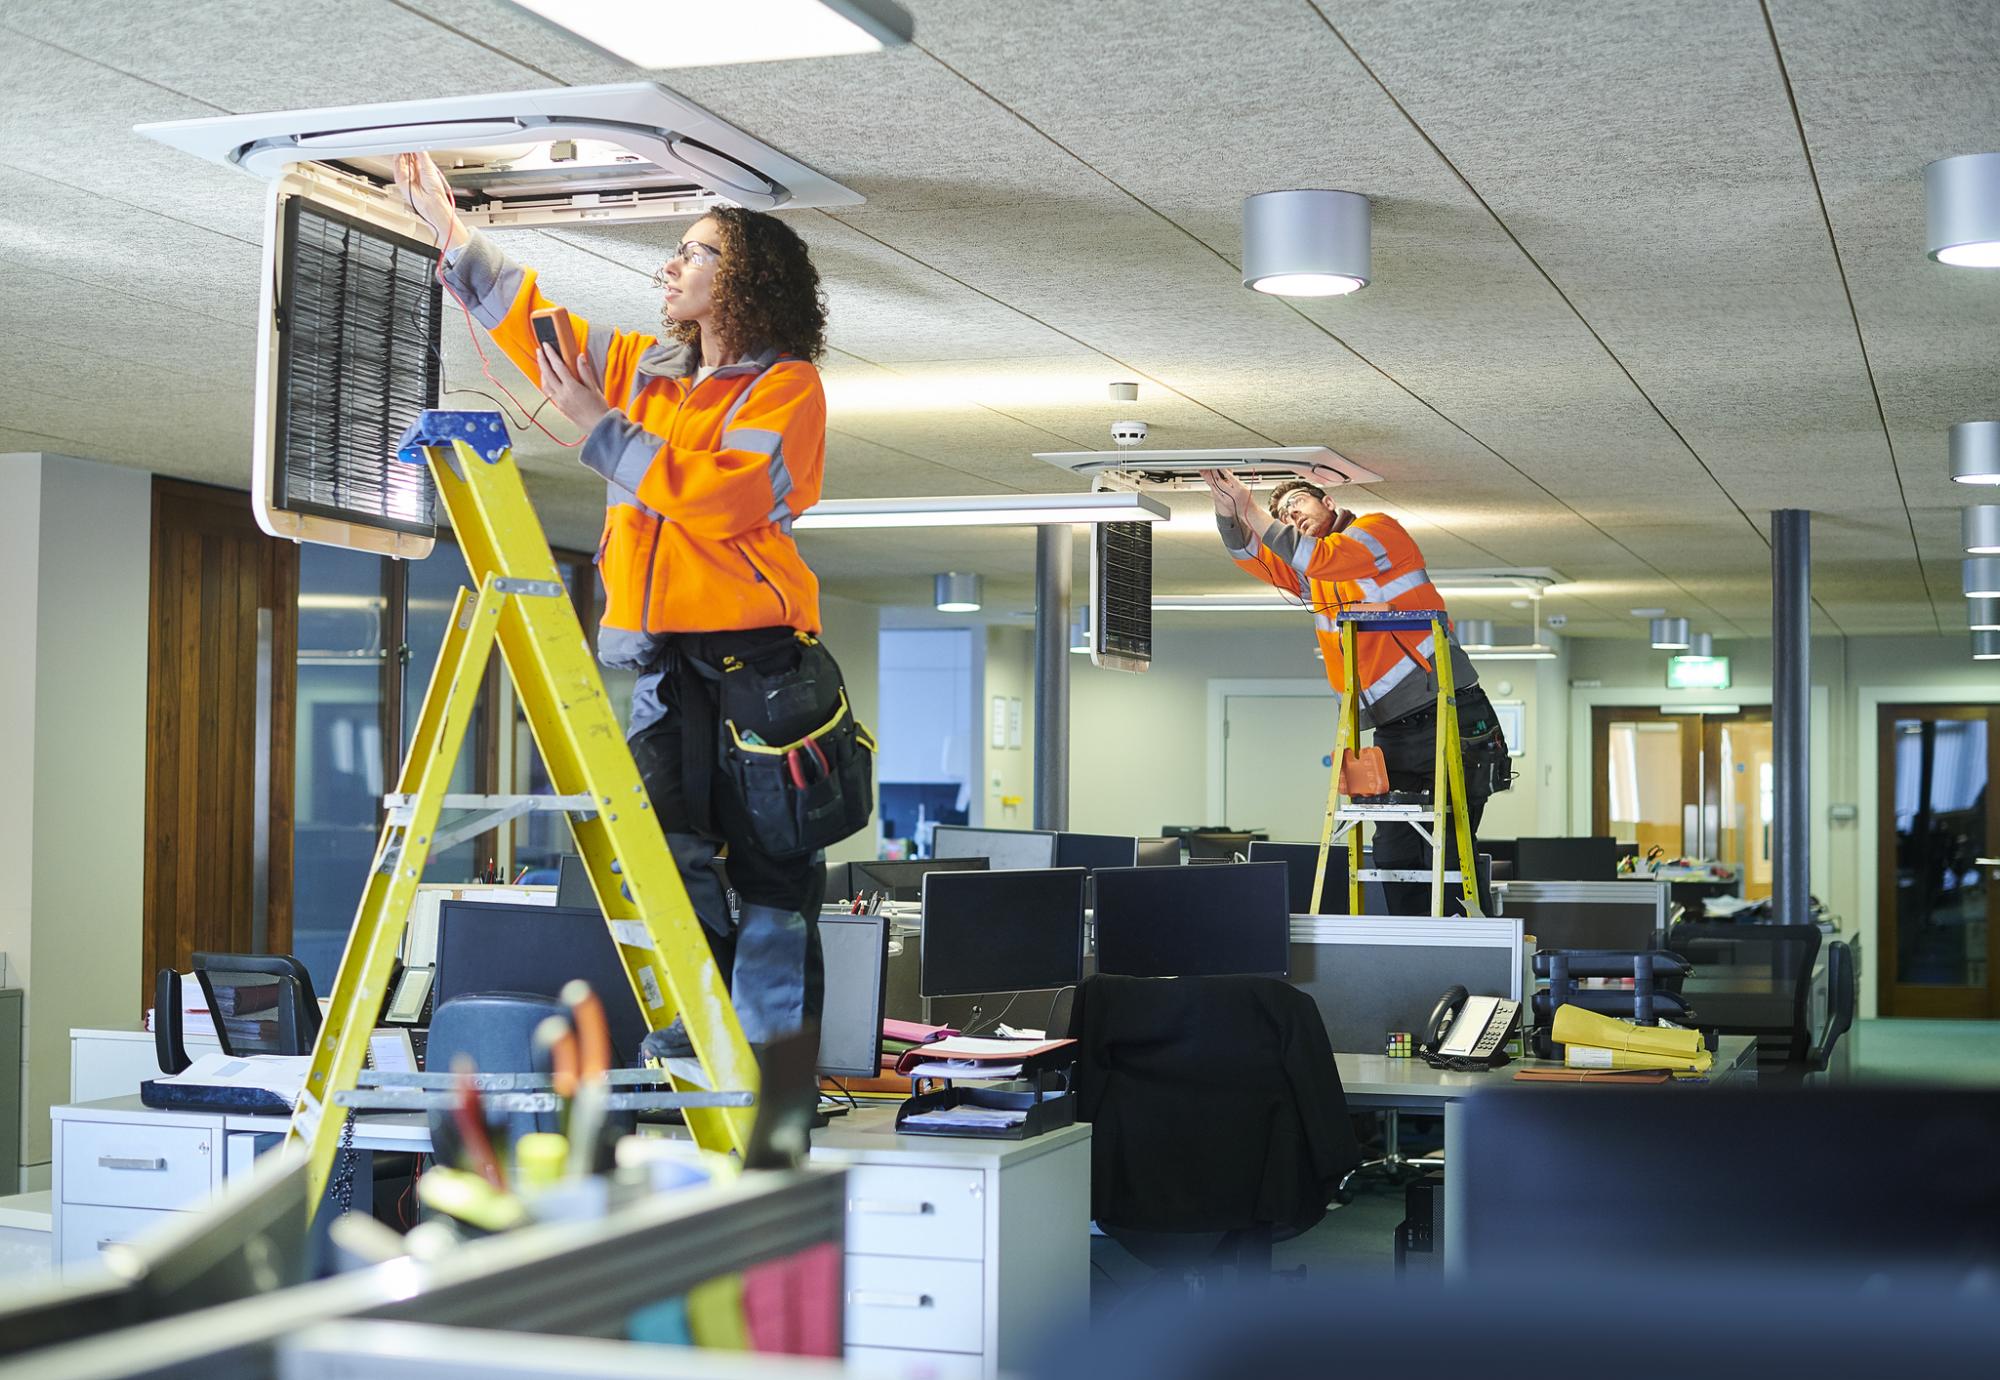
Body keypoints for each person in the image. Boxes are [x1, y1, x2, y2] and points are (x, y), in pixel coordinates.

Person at [395, 151, 840, 1046]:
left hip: (760, 667)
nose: (669, 267)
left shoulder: (787, 387)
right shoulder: (648, 371)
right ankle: (709, 1027)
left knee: (773, 887)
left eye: (693, 252)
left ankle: (777, 1080)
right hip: (663, 665)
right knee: (666, 861)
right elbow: (540, 329)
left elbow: (724, 499)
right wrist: (452, 233)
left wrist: (605, 431)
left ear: (745, 281)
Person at [1202, 469, 1508, 915]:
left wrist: (1252, 507)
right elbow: (1256, 556)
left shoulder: (1376, 533)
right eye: (1283, 514)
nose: (1292, 515)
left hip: (1448, 707)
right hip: (1392, 728)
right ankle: (1413, 949)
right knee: (1393, 857)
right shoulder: (1316, 575)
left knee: (1446, 850)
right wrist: (1228, 513)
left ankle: (1466, 951)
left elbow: (1323, 557)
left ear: (1328, 501)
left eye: (1299, 503)